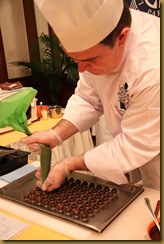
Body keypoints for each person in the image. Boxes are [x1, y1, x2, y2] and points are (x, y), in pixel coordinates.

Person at [21, 0, 160, 191]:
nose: (81, 69)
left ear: (122, 37)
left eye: (90, 59)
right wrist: (56, 134)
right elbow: (88, 98)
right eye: (75, 60)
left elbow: (133, 145)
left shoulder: (153, 67)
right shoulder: (93, 50)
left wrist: (68, 164)